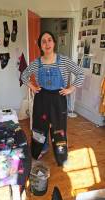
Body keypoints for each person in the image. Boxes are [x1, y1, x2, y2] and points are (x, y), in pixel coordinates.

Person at [21, 31, 84, 166]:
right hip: (41, 98)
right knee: (39, 127)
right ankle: (40, 149)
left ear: (54, 43)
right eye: (43, 41)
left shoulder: (64, 60)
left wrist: (71, 88)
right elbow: (24, 75)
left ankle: (61, 156)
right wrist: (32, 86)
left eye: (49, 40)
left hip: (58, 99)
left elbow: (80, 73)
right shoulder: (36, 63)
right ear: (40, 46)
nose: (47, 43)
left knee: (58, 128)